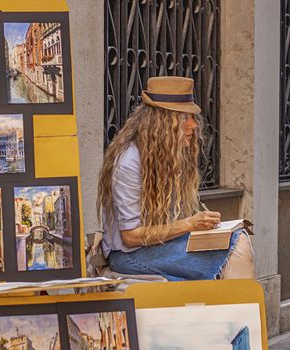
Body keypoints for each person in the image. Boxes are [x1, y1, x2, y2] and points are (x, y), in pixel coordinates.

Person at [97, 76, 255, 281]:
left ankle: (239, 310)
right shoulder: (129, 162)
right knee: (237, 244)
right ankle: (242, 311)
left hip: (161, 247)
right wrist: (190, 224)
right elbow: (130, 237)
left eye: (192, 118)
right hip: (129, 256)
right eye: (184, 118)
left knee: (235, 237)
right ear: (162, 123)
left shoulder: (168, 155)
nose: (193, 126)